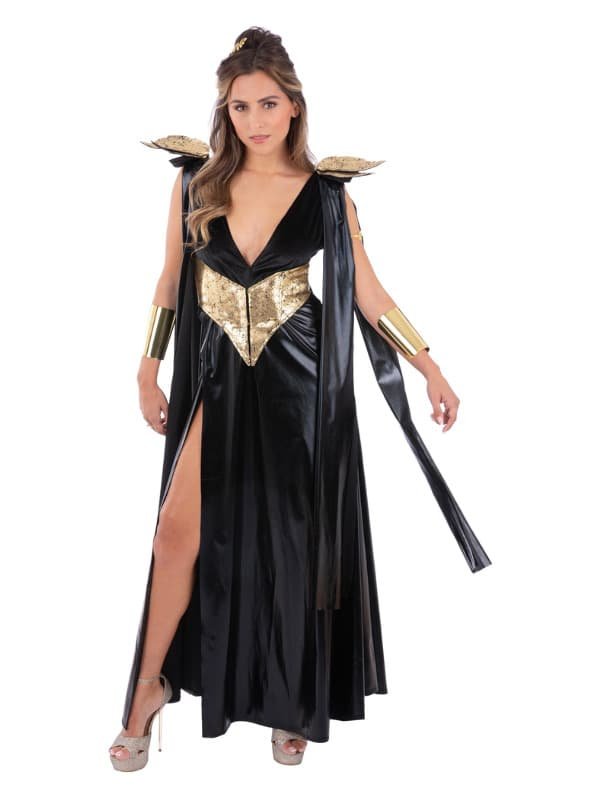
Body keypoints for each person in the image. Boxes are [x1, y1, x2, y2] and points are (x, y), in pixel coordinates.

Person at [108, 26, 491, 771]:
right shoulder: (194, 183)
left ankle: (292, 698)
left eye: (268, 103)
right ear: (225, 110)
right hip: (218, 378)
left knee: (294, 544)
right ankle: (147, 689)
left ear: (293, 106)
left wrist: (428, 365)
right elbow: (170, 282)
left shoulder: (327, 193)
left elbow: (368, 293)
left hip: (299, 384)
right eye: (240, 105)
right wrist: (147, 370)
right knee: (176, 534)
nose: (254, 120)